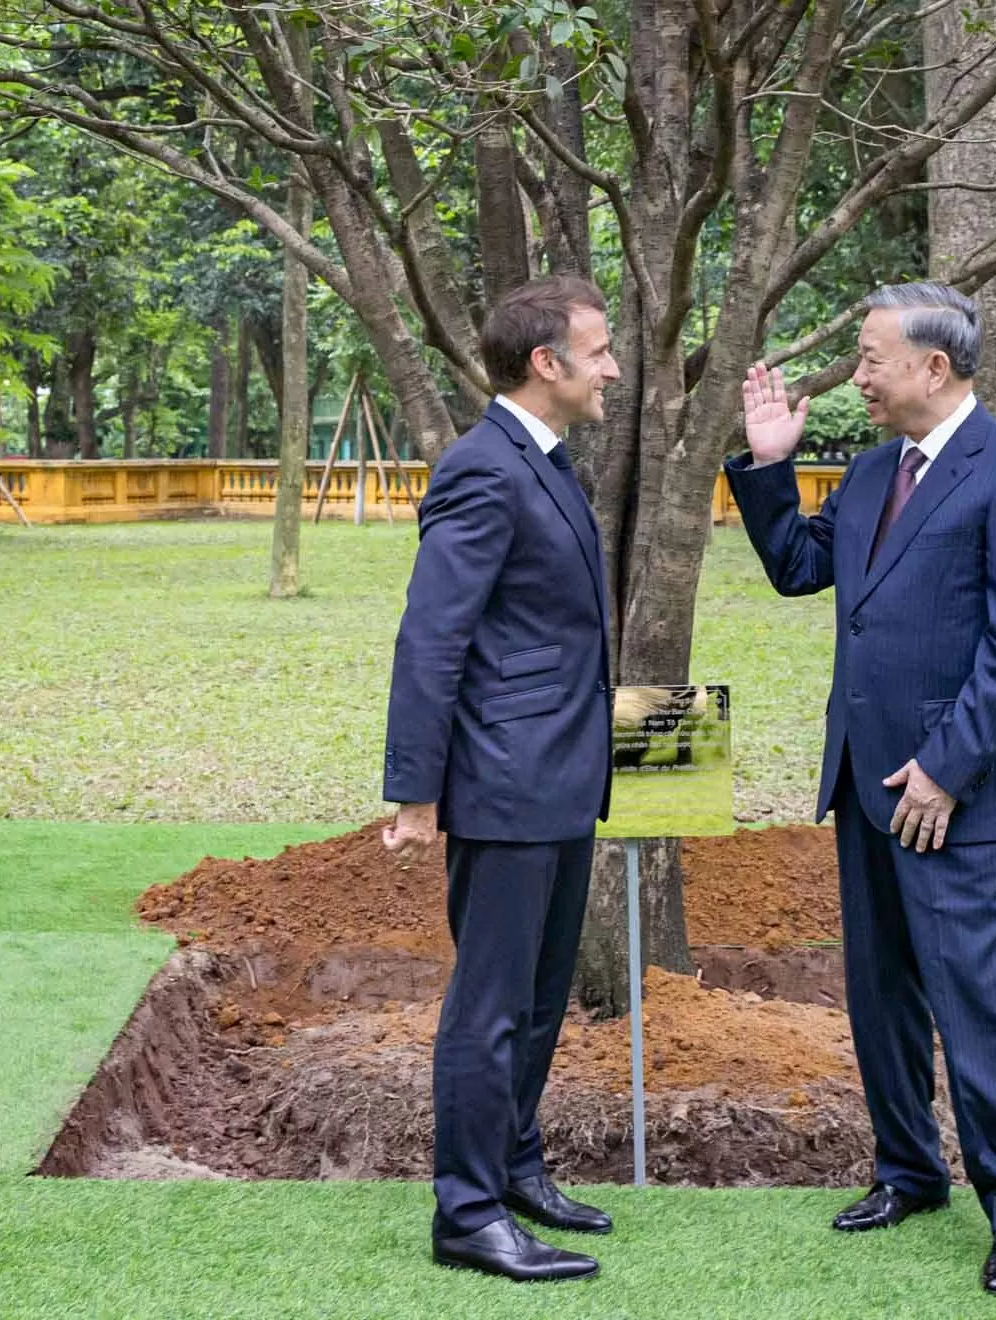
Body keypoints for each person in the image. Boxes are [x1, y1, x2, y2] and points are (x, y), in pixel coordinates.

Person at [725, 282, 996, 1295]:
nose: (859, 375)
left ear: (936, 366)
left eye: (872, 356)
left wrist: (947, 769)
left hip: (955, 796)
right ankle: (908, 1173)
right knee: (881, 997)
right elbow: (798, 568)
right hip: (867, 785)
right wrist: (770, 467)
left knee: (980, 1001)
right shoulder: (875, 472)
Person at [381, 274, 620, 1284]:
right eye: (598, 350)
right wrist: (415, 789)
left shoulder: (551, 464)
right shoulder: (482, 469)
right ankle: (467, 1214)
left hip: (561, 778)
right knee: (489, 1008)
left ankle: (516, 1166)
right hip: (507, 781)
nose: (612, 367)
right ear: (546, 363)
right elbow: (433, 636)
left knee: (536, 998)